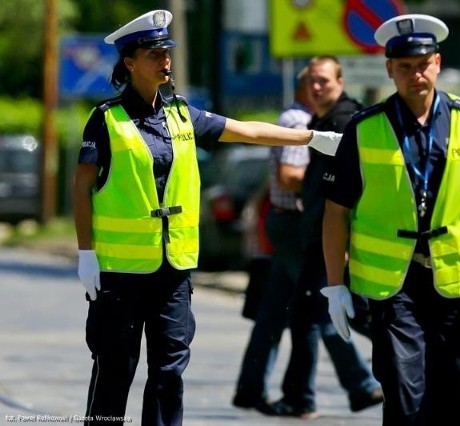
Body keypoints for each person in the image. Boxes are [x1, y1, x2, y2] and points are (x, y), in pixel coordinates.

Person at [72, 10, 340, 426]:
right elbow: (81, 187)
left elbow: (248, 131)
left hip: (173, 270)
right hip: (119, 271)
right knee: (114, 370)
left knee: (168, 372)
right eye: (154, 53)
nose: (166, 61)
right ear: (129, 62)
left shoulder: (182, 115)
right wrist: (85, 252)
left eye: (167, 52)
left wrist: (313, 138)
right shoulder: (107, 119)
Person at [320, 14, 460, 426]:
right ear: (389, 70)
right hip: (396, 286)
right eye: (404, 67)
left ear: (437, 63)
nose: (415, 75)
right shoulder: (364, 129)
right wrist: (335, 285)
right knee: (404, 400)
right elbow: (335, 213)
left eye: (422, 64)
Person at [262, 55, 383, 418]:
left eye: (324, 81)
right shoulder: (325, 120)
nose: (317, 87)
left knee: (349, 313)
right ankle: (304, 396)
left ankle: (414, 357)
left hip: (331, 237)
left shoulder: (345, 122)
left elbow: (355, 189)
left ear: (341, 82)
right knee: (307, 314)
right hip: (317, 233)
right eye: (312, 81)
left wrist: (344, 247)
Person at [232, 66, 312, 411]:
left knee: (274, 313)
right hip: (293, 225)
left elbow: (269, 178)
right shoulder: (298, 120)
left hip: (282, 225)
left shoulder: (297, 118)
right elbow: (288, 176)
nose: (323, 88)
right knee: (319, 308)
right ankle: (360, 380)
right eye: (316, 81)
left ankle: (252, 389)